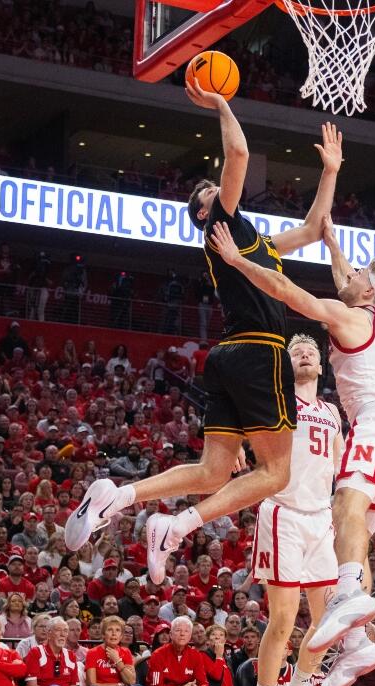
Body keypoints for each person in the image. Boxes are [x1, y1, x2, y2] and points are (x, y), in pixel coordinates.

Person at [64, 101, 345, 589]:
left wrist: (330, 171)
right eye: (212, 193)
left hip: (229, 355)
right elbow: (237, 151)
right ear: (204, 210)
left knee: (214, 471)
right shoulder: (224, 225)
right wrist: (221, 100)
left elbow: (313, 226)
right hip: (260, 351)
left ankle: (121, 497)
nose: (223, 191)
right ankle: (177, 526)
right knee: (277, 474)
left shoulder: (259, 243)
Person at [208, 213, 375, 686]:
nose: (352, 274)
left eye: (362, 273)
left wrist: (238, 261)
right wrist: (331, 240)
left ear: (368, 295)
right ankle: (359, 643)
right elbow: (348, 280)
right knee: (349, 532)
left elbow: (287, 292)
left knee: (345, 507)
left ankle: (347, 599)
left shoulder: (351, 315)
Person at [243, 334, 344, 686]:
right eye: (295, 352)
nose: (304, 355)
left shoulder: (333, 412)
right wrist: (232, 450)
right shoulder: (276, 399)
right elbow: (237, 421)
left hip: (320, 517)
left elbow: (340, 466)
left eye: (311, 352)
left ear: (321, 367)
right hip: (283, 513)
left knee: (329, 623)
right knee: (283, 619)